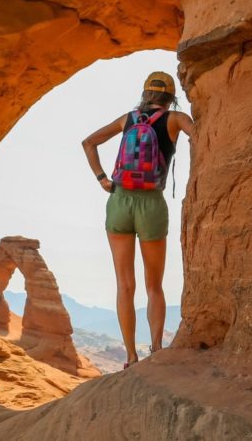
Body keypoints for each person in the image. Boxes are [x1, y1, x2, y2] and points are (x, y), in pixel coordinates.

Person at [81, 71, 194, 368]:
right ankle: (156, 349)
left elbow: (88, 142)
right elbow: (203, 136)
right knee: (154, 285)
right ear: (171, 97)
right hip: (151, 205)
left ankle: (131, 356)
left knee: (124, 284)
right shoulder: (176, 119)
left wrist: (102, 179)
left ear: (145, 95)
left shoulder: (127, 119)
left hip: (118, 201)